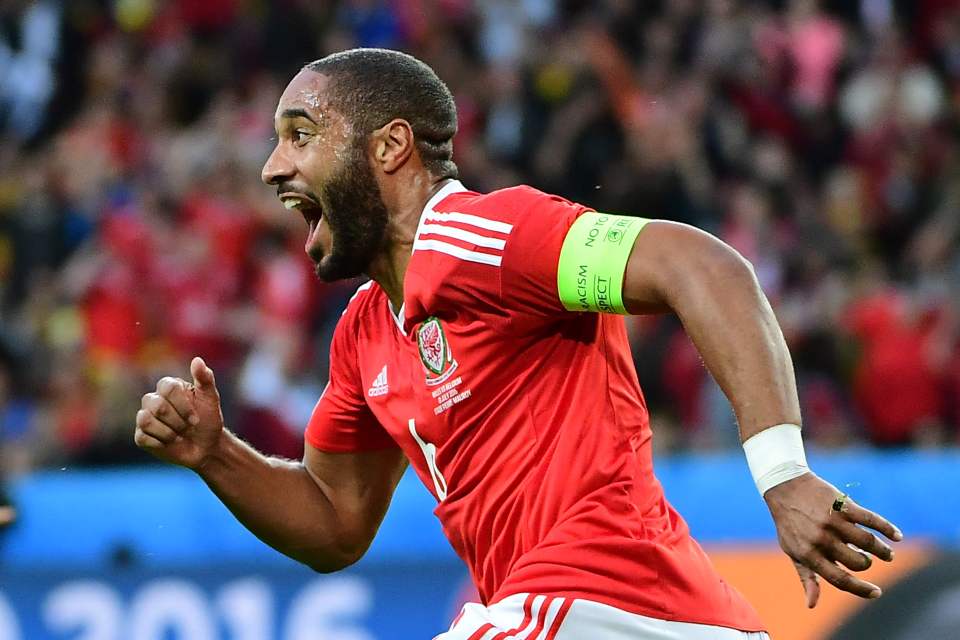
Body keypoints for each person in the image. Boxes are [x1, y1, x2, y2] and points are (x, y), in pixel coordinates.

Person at [135, 48, 903, 639]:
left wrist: (783, 473)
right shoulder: (365, 334)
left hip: (611, 603)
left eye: (301, 135)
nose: (274, 168)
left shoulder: (481, 236)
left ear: (391, 146)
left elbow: (701, 264)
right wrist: (217, 454)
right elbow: (335, 521)